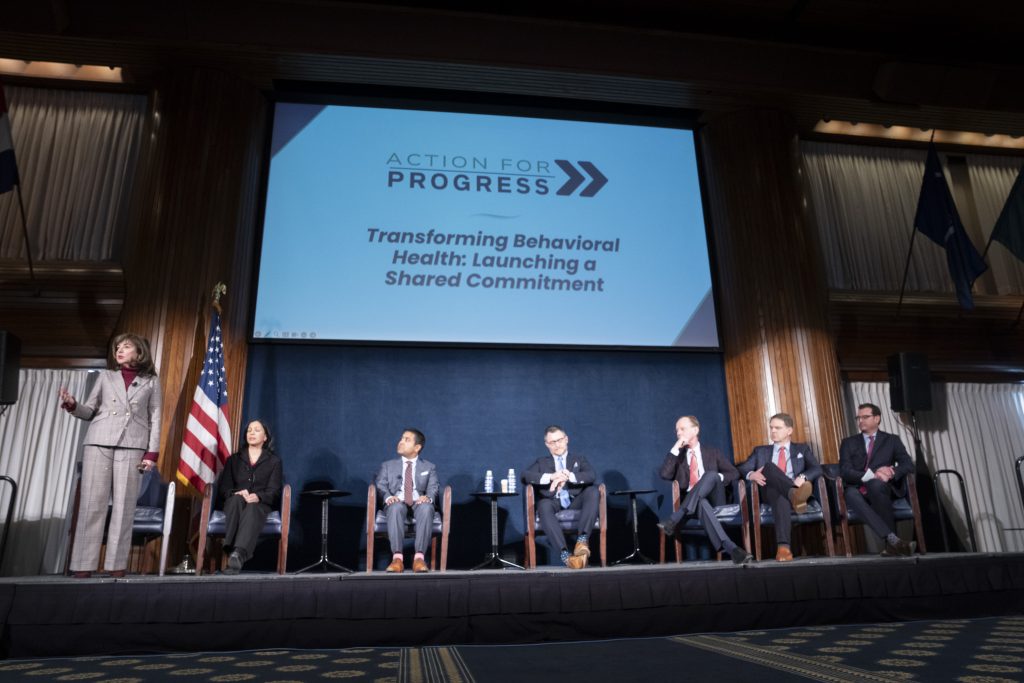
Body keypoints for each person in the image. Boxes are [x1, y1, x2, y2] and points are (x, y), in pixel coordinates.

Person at [59, 333, 161, 578]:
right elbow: (89, 411)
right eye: (118, 347)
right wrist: (72, 404)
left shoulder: (151, 382)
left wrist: (152, 453)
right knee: (92, 505)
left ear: (139, 352)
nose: (120, 350)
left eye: (126, 347)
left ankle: (116, 564)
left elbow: (156, 419)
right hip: (98, 442)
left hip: (132, 446)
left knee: (124, 507)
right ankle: (83, 565)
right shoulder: (106, 376)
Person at [657, 416, 751, 565]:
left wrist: (717, 477)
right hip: (693, 504)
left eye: (682, 429)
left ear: (695, 430)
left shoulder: (713, 452)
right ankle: (732, 549)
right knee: (701, 502)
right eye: (677, 431)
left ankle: (676, 518)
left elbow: (734, 473)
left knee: (711, 475)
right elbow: (665, 475)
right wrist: (675, 449)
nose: (679, 433)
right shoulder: (678, 456)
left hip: (715, 498)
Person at [738, 412, 820, 562]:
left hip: (780, 493)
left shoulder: (801, 449)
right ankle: (794, 494)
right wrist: (752, 474)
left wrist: (802, 477)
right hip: (766, 492)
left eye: (777, 428)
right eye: (771, 428)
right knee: (769, 467)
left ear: (789, 430)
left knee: (781, 496)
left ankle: (784, 548)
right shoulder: (760, 451)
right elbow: (742, 468)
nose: (773, 431)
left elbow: (817, 468)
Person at [839, 403, 915, 557]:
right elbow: (845, 470)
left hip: (881, 488)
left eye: (865, 417)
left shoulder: (892, 440)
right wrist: (872, 475)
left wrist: (891, 472)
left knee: (875, 484)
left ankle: (892, 544)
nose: (861, 420)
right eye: (858, 418)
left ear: (877, 418)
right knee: (850, 494)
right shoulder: (848, 442)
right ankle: (893, 541)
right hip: (857, 488)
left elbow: (908, 464)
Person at [522, 425, 599, 569]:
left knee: (593, 491)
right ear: (547, 444)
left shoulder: (578, 459)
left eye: (560, 440)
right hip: (553, 501)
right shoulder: (541, 462)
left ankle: (582, 541)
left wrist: (569, 476)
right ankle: (566, 555)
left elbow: (591, 475)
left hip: (575, 500)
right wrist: (552, 477)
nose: (557, 445)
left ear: (566, 439)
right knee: (543, 505)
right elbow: (525, 476)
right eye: (552, 442)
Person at [218, 419, 284, 574]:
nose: (252, 433)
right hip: (235, 502)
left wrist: (258, 497)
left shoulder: (274, 461)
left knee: (252, 508)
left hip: (260, 504)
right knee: (236, 500)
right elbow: (224, 488)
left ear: (265, 437)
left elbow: (274, 491)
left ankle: (238, 553)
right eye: (249, 430)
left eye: (257, 430)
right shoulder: (233, 460)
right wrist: (236, 493)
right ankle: (233, 551)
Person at [374, 429, 438, 573]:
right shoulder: (387, 465)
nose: (401, 442)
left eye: (406, 440)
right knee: (395, 507)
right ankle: (397, 559)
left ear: (417, 447)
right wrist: (388, 497)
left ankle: (419, 559)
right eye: (401, 438)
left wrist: (428, 497)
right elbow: (380, 485)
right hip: (397, 501)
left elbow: (433, 487)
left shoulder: (429, 467)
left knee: (427, 507)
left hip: (418, 502)